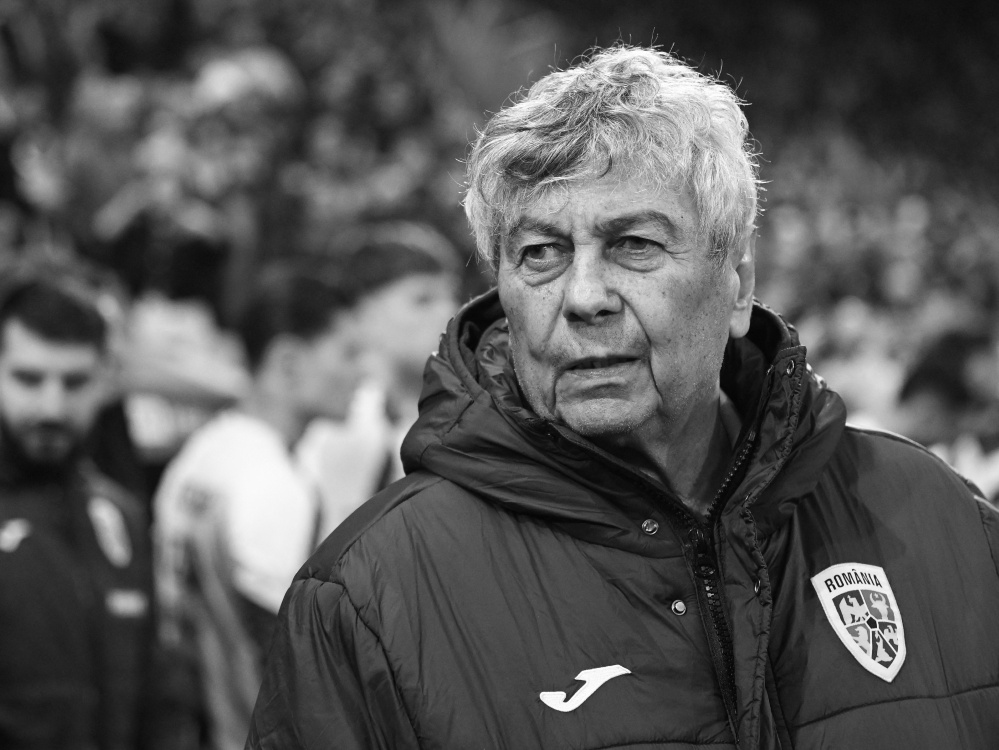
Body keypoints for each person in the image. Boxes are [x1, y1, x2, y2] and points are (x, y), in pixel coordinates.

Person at [247, 46, 999, 750]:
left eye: (634, 244)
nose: (583, 297)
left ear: (738, 286)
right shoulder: (368, 596)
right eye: (540, 253)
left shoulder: (937, 519)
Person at [153, 259, 367, 750]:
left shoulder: (204, 450)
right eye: (348, 352)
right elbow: (278, 655)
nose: (361, 372)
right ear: (288, 362)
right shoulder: (271, 481)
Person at [0, 261, 154, 749]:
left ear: (105, 380)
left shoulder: (120, 519)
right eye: (28, 379)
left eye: (74, 382)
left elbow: (151, 700)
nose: (52, 407)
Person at [295, 221, 462, 534]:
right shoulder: (336, 417)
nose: (449, 311)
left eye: (452, 296)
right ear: (364, 311)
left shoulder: (427, 415)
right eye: (423, 299)